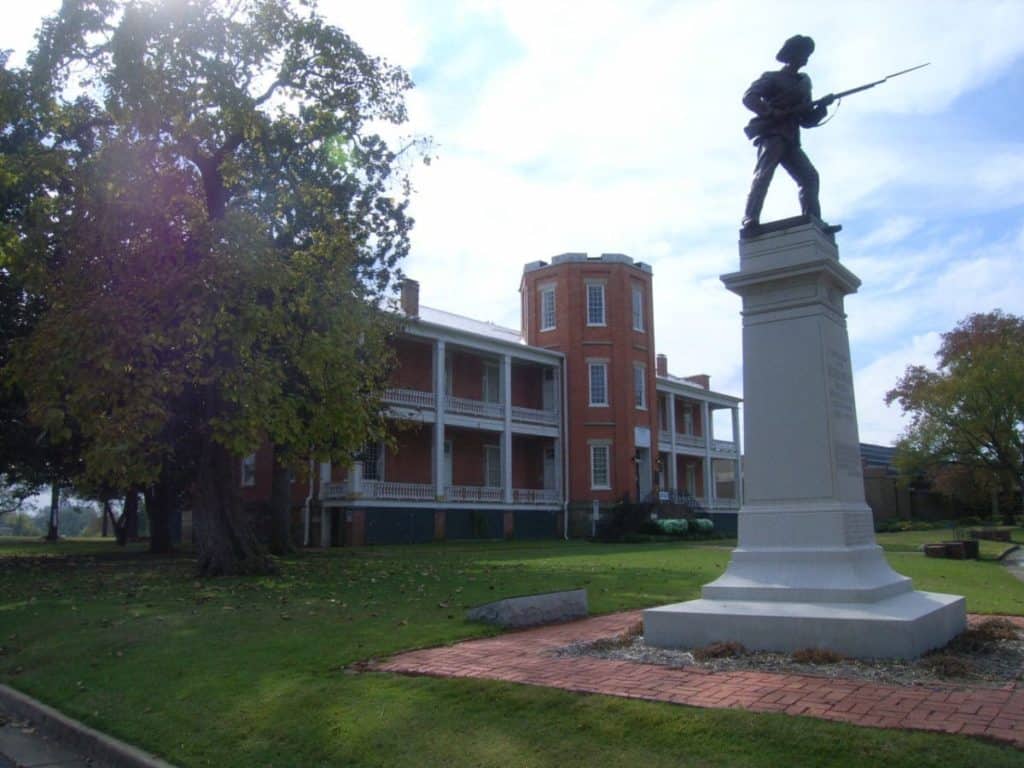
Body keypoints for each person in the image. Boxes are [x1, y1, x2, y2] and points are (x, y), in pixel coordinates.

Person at [741, 35, 835, 231]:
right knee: (764, 175)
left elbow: (807, 120)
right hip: (773, 134)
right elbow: (749, 98)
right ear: (792, 54)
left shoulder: (804, 83)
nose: (806, 58)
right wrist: (772, 112)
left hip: (791, 137)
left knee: (809, 177)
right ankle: (750, 218)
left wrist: (822, 107)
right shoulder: (772, 77)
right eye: (803, 53)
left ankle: (813, 221)